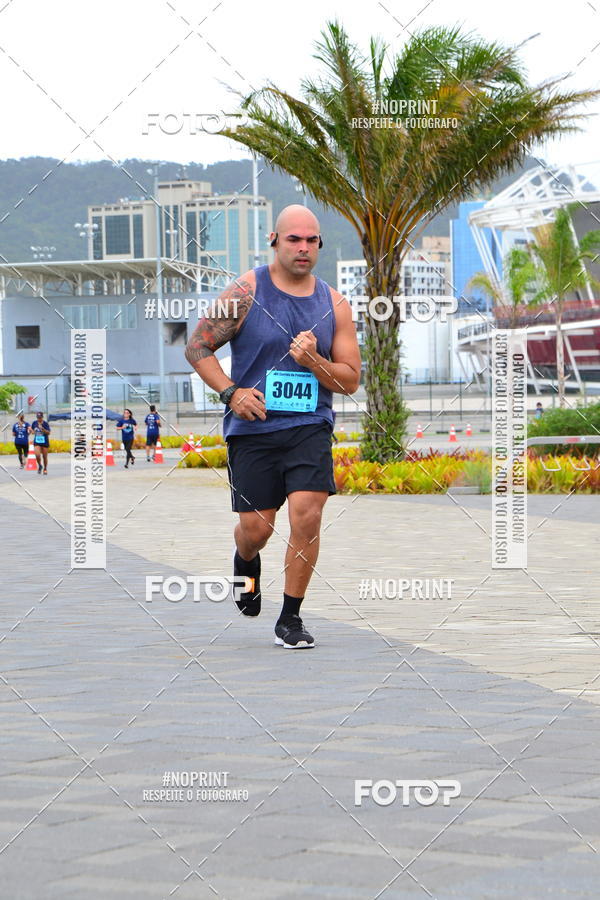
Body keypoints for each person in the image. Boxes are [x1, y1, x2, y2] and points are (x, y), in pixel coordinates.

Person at [185, 205, 361, 649]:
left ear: (319, 244)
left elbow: (351, 380)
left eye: (311, 241)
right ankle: (245, 559)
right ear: (275, 241)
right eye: (294, 240)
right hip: (253, 429)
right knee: (257, 530)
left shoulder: (335, 304)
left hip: (309, 426)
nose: (303, 248)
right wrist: (232, 393)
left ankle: (291, 618)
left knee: (308, 515)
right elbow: (198, 347)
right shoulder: (246, 290)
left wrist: (314, 361)